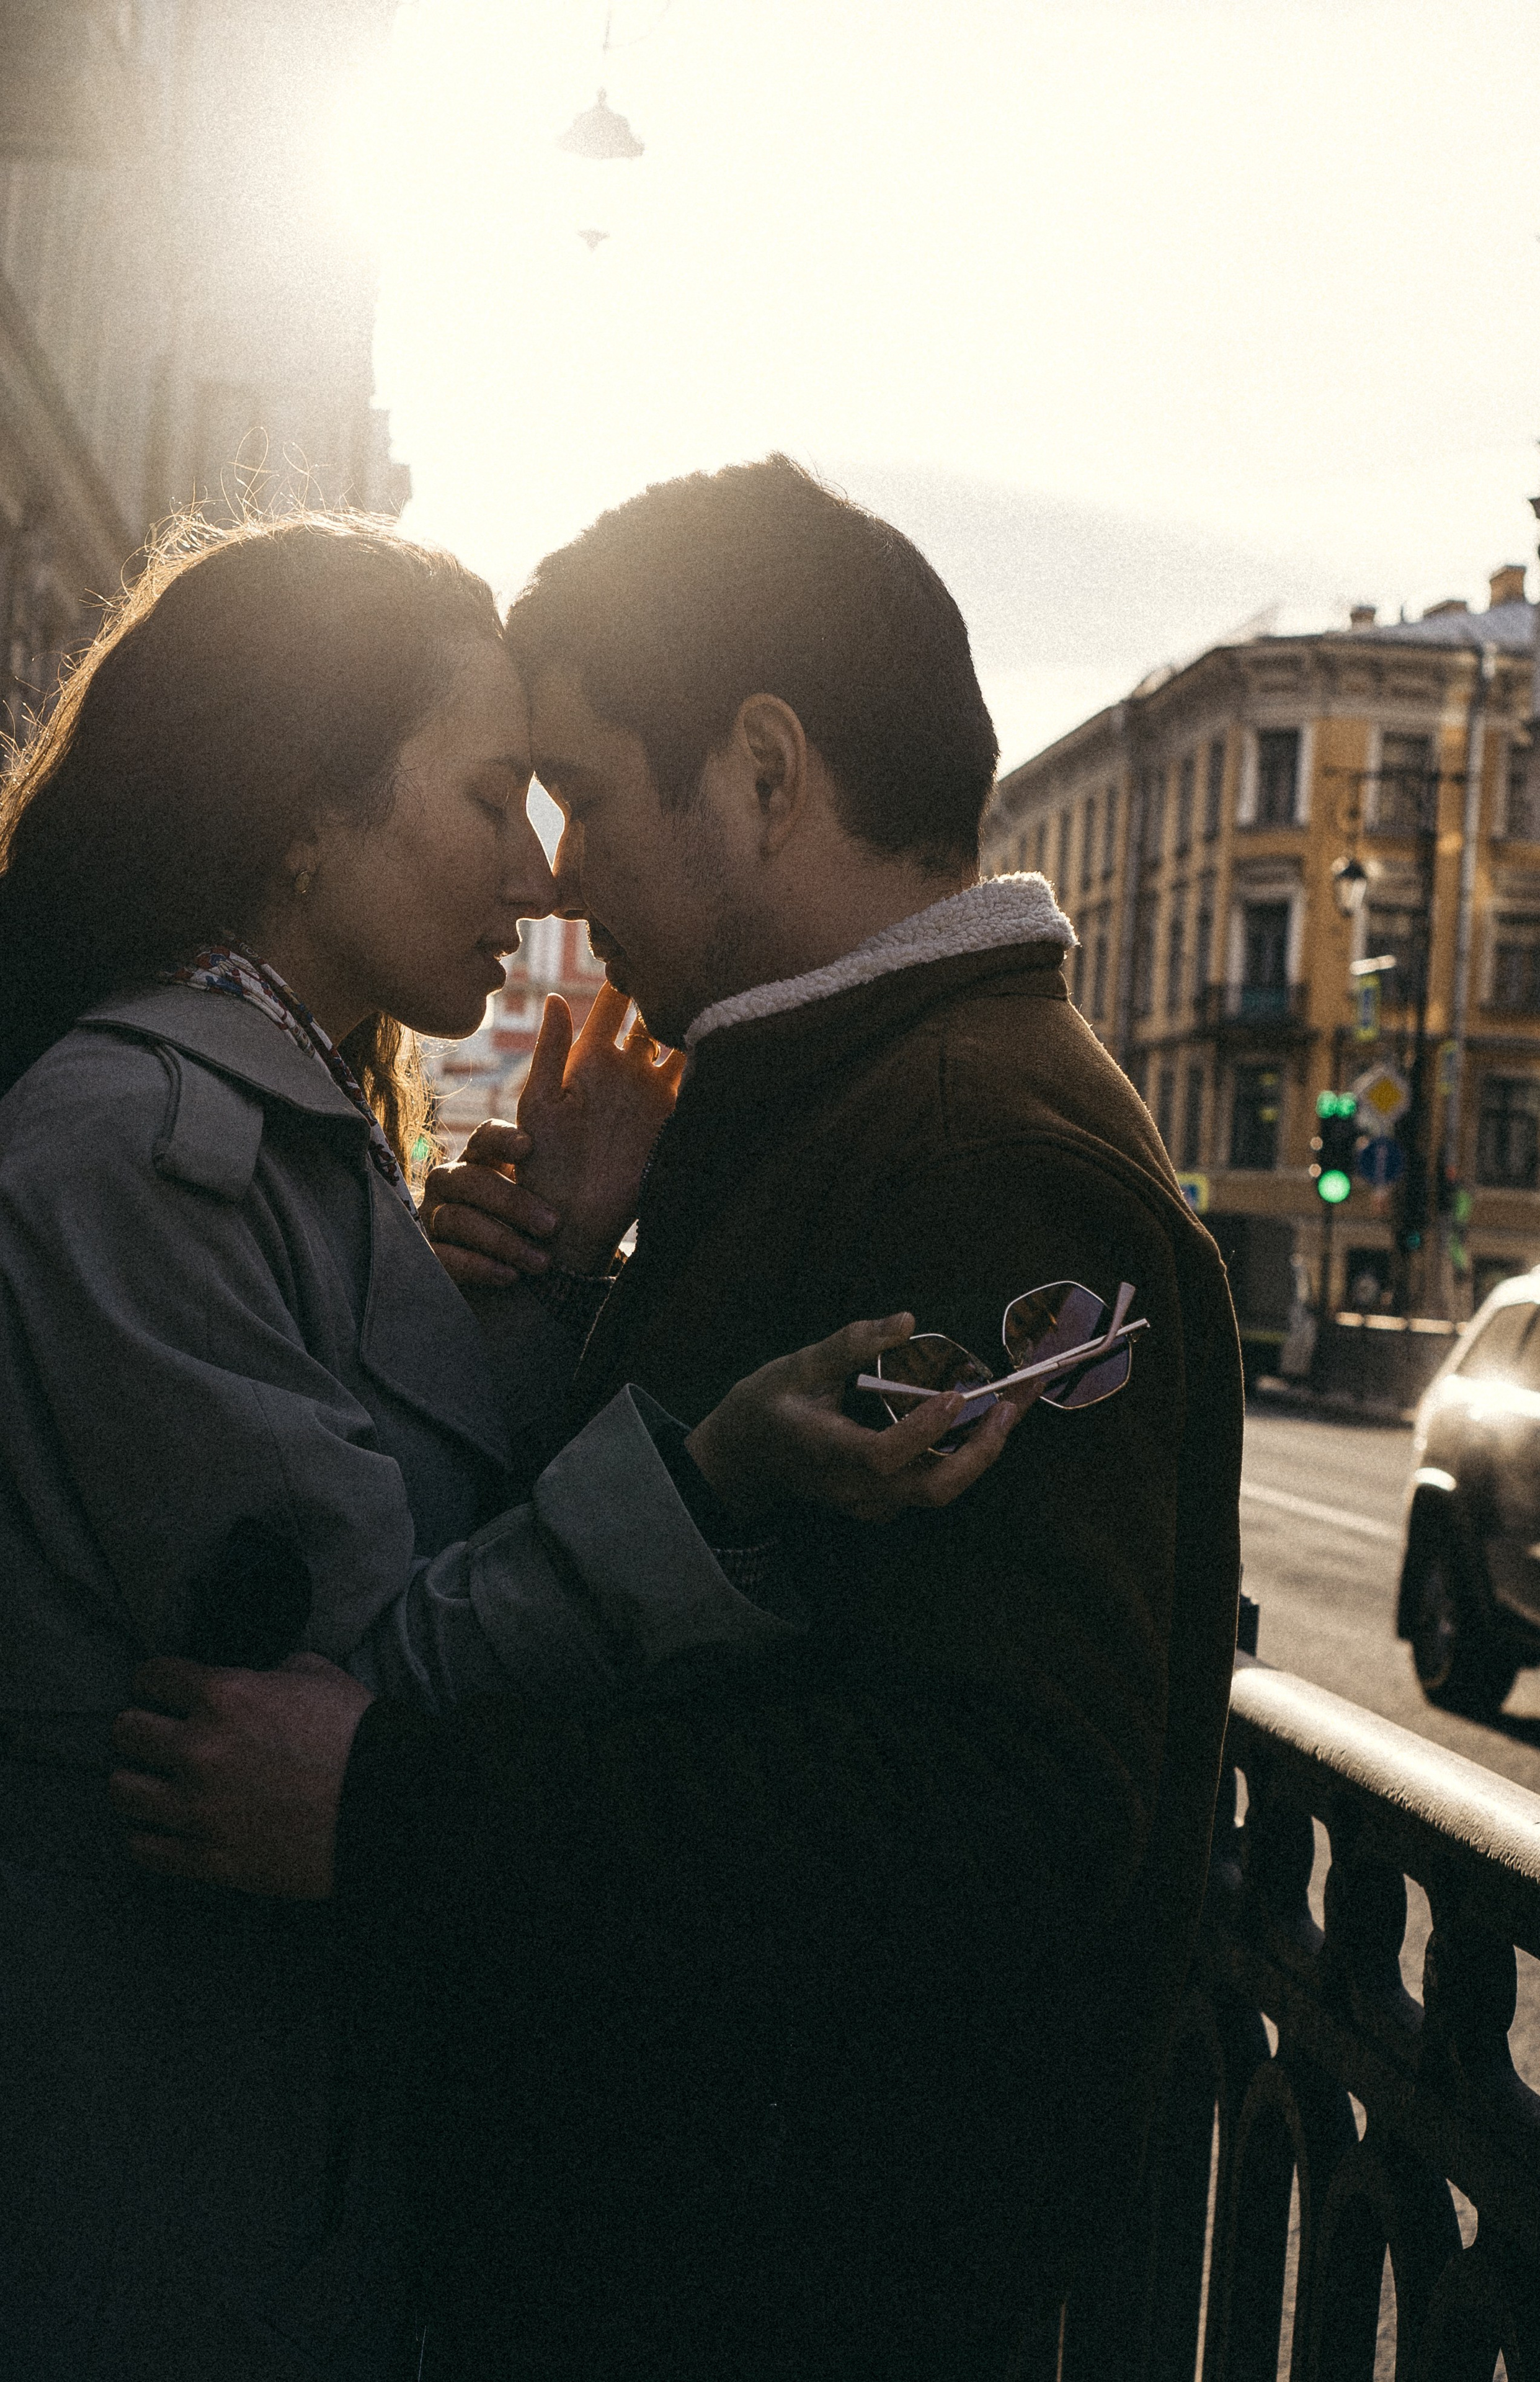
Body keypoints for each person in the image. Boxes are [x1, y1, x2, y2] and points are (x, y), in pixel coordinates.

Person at [116, 461, 1245, 2380]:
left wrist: (392, 1813)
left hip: (778, 2285)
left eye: (578, 794)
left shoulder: (983, 1155)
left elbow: (992, 1827)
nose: (552, 872)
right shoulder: (859, 1101)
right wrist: (556, 1292)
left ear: (767, 772)